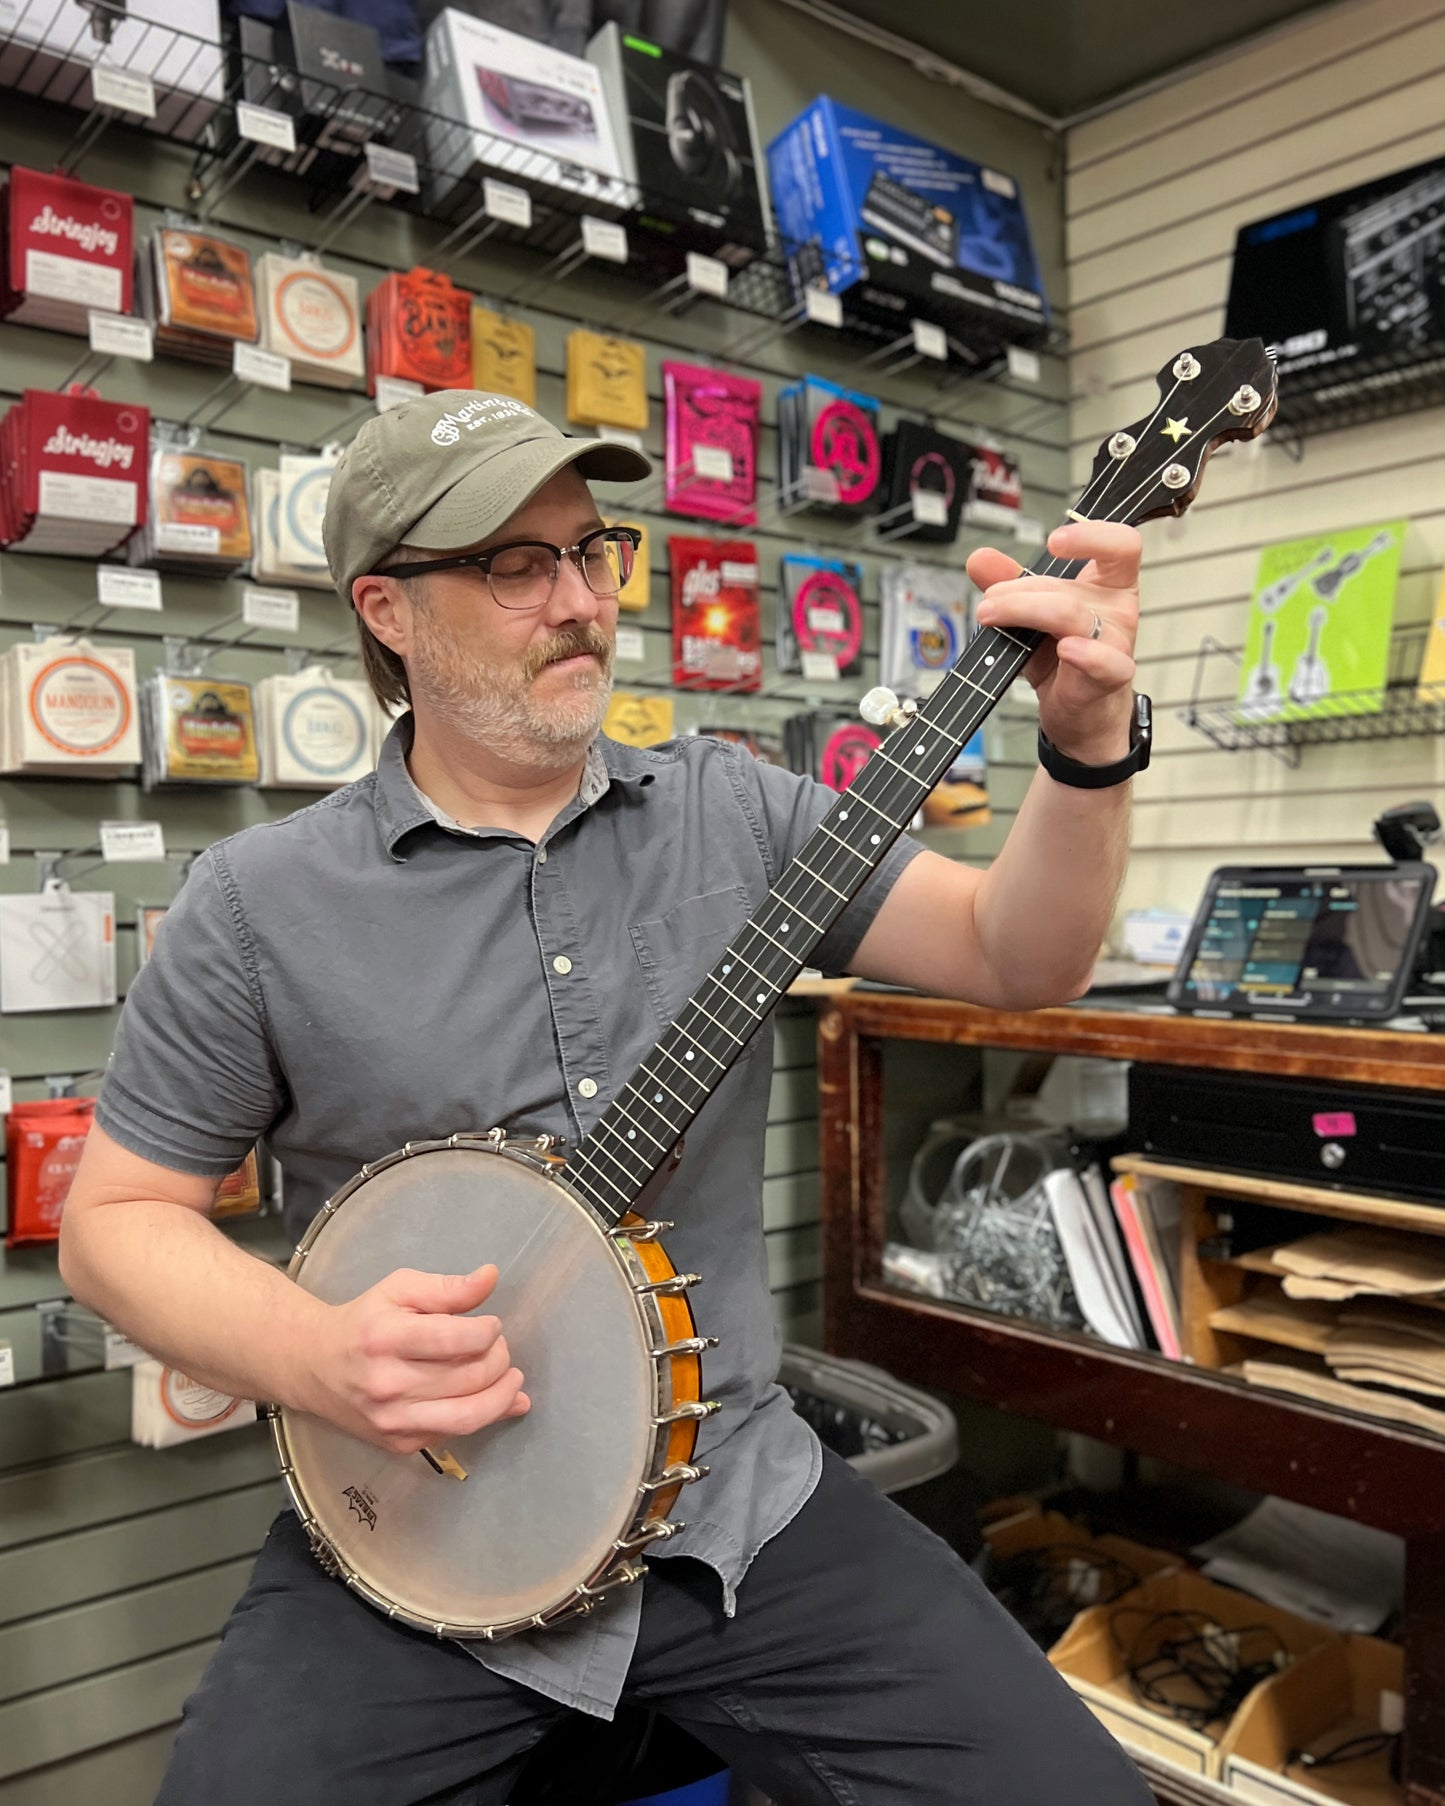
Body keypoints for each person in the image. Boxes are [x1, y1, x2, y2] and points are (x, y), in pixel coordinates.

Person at [60, 390, 1155, 1806]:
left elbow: (1020, 955)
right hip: (422, 1527)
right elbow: (114, 1224)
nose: (578, 600)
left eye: (593, 550)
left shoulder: (738, 811)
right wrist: (318, 1353)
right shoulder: (257, 906)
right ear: (386, 610)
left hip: (737, 1499)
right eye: (516, 565)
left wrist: (1082, 744)